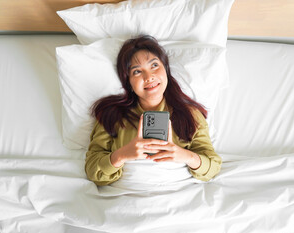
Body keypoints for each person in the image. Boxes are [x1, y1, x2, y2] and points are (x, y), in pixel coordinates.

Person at [85, 35, 221, 186]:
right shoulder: (112, 115)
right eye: (137, 71)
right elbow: (92, 171)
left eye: (154, 65)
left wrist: (185, 156)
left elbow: (213, 168)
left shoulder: (190, 114)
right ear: (128, 81)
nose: (149, 77)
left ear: (166, 70)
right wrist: (121, 155)